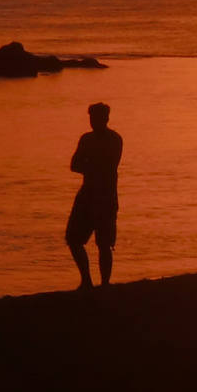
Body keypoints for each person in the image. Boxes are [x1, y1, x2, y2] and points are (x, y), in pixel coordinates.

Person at [66, 102, 123, 288]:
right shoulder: (86, 139)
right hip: (87, 195)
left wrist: (89, 164)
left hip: (106, 197)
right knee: (73, 239)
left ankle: (105, 283)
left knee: (104, 243)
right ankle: (86, 280)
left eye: (97, 117)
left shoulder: (114, 139)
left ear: (106, 118)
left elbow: (108, 166)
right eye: (91, 118)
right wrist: (92, 165)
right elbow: (74, 164)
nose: (93, 121)